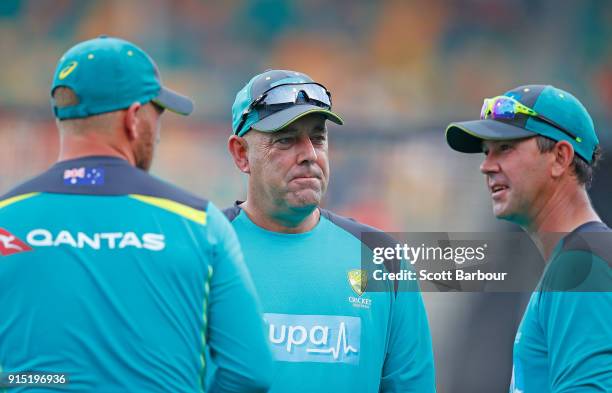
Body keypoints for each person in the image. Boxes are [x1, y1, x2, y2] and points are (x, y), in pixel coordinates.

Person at [0, 36, 272, 393]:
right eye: (156, 116)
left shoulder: (6, 220)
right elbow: (251, 373)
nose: (157, 136)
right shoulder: (200, 224)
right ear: (133, 120)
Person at [219, 69, 436, 392]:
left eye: (318, 137)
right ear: (241, 154)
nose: (309, 154)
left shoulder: (381, 258)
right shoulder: (201, 251)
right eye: (285, 140)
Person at [445, 84, 612, 392]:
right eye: (486, 151)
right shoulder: (573, 262)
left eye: (505, 148)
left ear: (561, 157)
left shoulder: (582, 268)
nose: (486, 166)